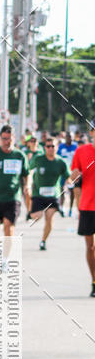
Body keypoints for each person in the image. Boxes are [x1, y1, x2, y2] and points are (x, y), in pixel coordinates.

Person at [28, 137, 69, 250]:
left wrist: (69, 182)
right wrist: (28, 184)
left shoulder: (61, 162)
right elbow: (30, 171)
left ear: (57, 147)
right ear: (45, 147)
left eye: (53, 146)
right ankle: (30, 212)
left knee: (50, 218)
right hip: (38, 194)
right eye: (48, 146)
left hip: (53, 195)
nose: (50, 148)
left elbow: (68, 176)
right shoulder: (38, 159)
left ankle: (43, 241)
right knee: (37, 216)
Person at [70, 124, 95, 295]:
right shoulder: (82, 151)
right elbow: (74, 176)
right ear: (91, 132)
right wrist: (75, 175)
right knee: (90, 247)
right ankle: (94, 281)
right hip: (88, 205)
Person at [58, 132, 78, 215]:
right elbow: (58, 157)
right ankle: (61, 208)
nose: (69, 138)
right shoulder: (61, 146)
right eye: (68, 137)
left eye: (71, 137)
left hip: (72, 172)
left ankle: (70, 209)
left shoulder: (75, 146)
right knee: (62, 189)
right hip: (63, 171)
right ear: (65, 138)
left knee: (72, 191)